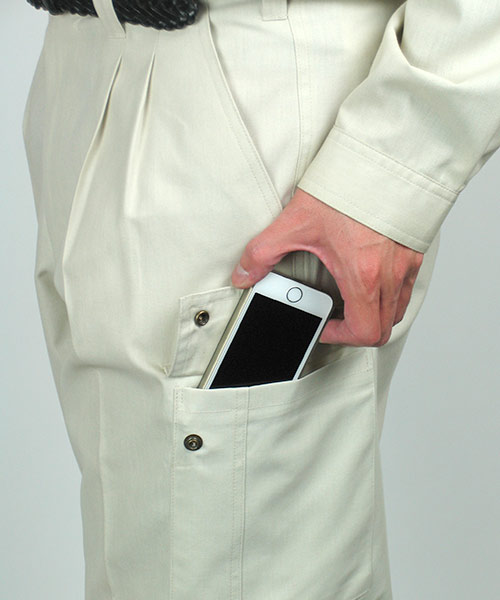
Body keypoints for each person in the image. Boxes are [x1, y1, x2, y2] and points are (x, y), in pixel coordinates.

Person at [21, 0, 500, 598]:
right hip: (81, 60)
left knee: (233, 571)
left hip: (249, 86)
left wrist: (387, 173)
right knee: (145, 565)